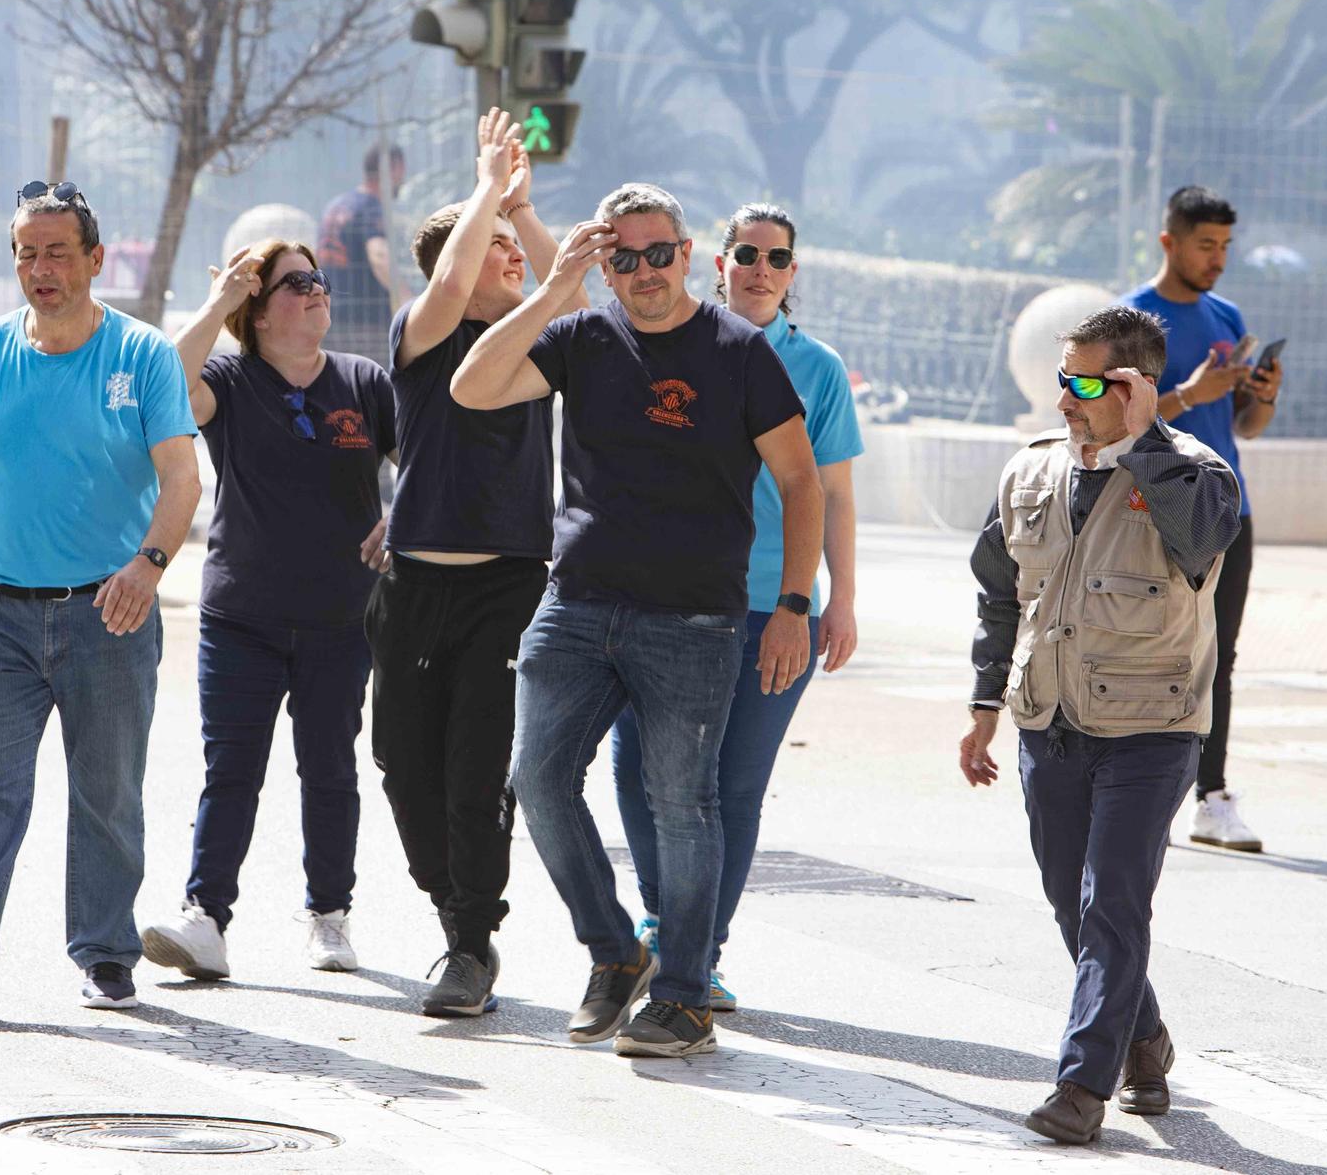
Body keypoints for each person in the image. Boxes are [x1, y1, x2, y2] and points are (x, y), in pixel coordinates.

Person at [452, 182, 823, 1060]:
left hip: (695, 620)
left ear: (687, 254)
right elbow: (472, 387)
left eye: (660, 253)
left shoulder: (738, 350)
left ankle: (686, 994)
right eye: (624, 257)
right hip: (576, 603)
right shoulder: (580, 336)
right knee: (537, 781)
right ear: (603, 261)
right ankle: (616, 951)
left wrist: (796, 607)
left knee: (682, 806)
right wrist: (554, 289)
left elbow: (803, 482)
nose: (645, 271)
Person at [0, 180, 202, 1019]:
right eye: (27, 252)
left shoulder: (141, 356)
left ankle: (104, 952)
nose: (41, 267)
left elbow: (181, 474)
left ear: (95, 259)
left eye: (58, 251)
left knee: (107, 791)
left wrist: (149, 565)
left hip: (110, 611)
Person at [962, 304, 1240, 1145]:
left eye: (1087, 382)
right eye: (1065, 379)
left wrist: (1148, 441)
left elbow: (1201, 544)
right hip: (1049, 720)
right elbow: (998, 588)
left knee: (1113, 899)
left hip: (1154, 728)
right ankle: (1145, 1037)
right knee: (1069, 900)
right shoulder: (1032, 471)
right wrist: (983, 706)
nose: (1067, 400)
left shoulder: (1199, 476)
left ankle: (1082, 1084)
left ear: (1135, 387)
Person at [609, 203, 862, 1014]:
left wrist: (837, 601)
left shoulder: (817, 368)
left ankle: (699, 951)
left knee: (732, 786)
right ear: (713, 261)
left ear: (793, 274)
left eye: (777, 258)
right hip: (662, 599)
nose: (760, 268)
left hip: (770, 608)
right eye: (746, 253)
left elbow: (833, 495)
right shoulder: (674, 342)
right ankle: (661, 919)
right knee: (638, 768)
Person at [139, 236, 395, 980]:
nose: (315, 291)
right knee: (232, 770)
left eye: (317, 280)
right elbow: (165, 382)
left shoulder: (364, 382)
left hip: (341, 618)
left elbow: (428, 459)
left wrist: (401, 513)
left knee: (329, 770)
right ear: (257, 313)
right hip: (241, 616)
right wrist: (219, 300)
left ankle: (329, 914)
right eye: (293, 284)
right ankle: (206, 919)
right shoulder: (230, 378)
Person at [366, 110, 568, 1016]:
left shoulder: (542, 344)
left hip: (509, 584)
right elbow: (450, 287)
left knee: (479, 761)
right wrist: (485, 187)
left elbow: (575, 293)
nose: (512, 261)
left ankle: (469, 940)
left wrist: (521, 211)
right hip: (412, 583)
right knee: (402, 762)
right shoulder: (422, 329)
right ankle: (449, 898)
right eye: (497, 251)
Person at [1121, 186, 1283, 852]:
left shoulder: (1226, 314)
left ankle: (1210, 797)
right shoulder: (1131, 318)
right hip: (1153, 511)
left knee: (1218, 657)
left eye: (1224, 246)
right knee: (1144, 650)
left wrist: (1263, 397)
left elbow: (1244, 425)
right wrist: (1188, 393)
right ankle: (1129, 788)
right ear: (1169, 242)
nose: (1216, 259)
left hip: (1227, 509)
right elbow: (1111, 421)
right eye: (1204, 245)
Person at [317, 141, 407, 364]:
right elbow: (379, 256)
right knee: (370, 392)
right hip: (366, 325)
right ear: (392, 168)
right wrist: (407, 299)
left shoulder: (337, 205)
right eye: (401, 170)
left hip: (331, 317)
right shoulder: (371, 207)